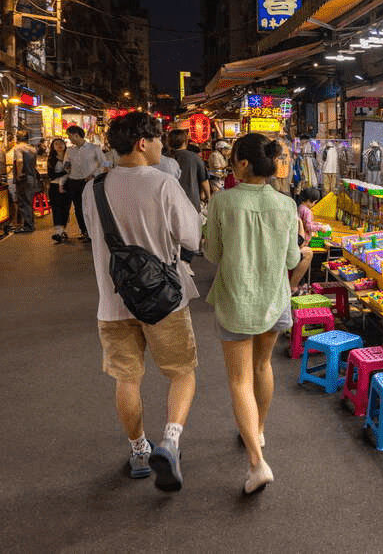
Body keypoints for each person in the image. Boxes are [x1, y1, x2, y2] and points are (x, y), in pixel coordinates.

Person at [81, 112, 201, 492]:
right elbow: (192, 240)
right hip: (165, 301)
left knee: (126, 379)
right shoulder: (164, 185)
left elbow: (92, 233)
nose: (163, 146)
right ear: (142, 142)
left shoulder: (93, 188)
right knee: (181, 372)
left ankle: (138, 451)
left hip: (113, 303)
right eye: (159, 139)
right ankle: (170, 441)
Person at [205, 133, 300, 494]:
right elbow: (292, 260)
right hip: (274, 300)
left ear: (243, 164)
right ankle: (257, 431)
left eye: (233, 158)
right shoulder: (286, 205)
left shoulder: (223, 202)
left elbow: (212, 255)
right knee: (263, 367)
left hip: (237, 302)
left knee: (239, 380)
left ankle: (256, 462)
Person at [65, 125, 108, 241]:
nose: (69, 139)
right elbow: (66, 163)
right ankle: (84, 231)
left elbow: (106, 163)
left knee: (90, 207)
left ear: (76, 135)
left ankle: (93, 232)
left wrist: (95, 174)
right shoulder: (70, 150)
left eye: (69, 136)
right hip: (74, 181)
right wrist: (67, 166)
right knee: (78, 208)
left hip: (88, 182)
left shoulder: (94, 148)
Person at [289, 187, 325, 293]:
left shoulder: (300, 207)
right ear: (312, 201)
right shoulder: (308, 211)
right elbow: (308, 226)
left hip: (298, 238)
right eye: (314, 202)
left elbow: (306, 223)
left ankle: (299, 283)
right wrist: (320, 228)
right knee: (305, 259)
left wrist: (317, 224)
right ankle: (298, 284)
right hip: (303, 240)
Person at [168, 129, 210, 213]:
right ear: (185, 142)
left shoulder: (164, 157)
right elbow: (204, 180)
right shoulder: (194, 157)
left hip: (169, 203)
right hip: (191, 202)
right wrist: (209, 197)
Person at [12, 129, 39, 233]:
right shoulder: (32, 149)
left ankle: (28, 226)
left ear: (17, 137)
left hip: (23, 178)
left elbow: (19, 161)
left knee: (23, 202)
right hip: (32, 177)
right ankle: (30, 224)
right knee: (29, 201)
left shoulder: (18, 148)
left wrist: (19, 174)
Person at [47, 138, 71, 243]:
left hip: (68, 186)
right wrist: (65, 172)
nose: (59, 145)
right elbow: (51, 176)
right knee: (56, 209)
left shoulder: (69, 157)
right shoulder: (52, 159)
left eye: (61, 143)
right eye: (56, 144)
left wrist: (65, 173)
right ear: (53, 147)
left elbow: (71, 171)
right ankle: (58, 232)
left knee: (65, 209)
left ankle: (63, 231)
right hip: (54, 187)